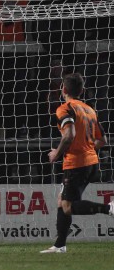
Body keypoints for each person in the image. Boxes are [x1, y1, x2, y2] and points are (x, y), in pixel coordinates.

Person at [41, 73, 112, 253]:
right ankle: (59, 245)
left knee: (67, 206)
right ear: (82, 90)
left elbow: (69, 135)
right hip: (91, 162)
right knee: (61, 200)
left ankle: (109, 208)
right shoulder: (89, 110)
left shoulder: (65, 109)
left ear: (63, 90)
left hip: (76, 164)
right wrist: (87, 147)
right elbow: (102, 139)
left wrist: (56, 153)